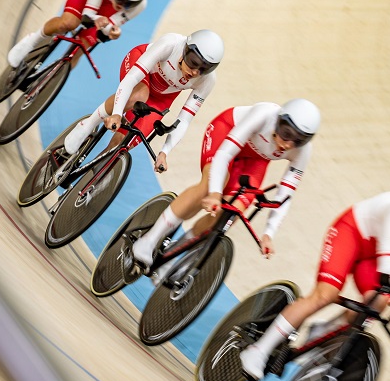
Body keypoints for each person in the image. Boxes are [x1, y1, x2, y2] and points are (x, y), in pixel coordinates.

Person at [239, 192, 390, 381]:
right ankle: (258, 351)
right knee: (326, 294)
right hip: (350, 234)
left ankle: (323, 332)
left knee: (379, 302)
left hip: (373, 257)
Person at [130, 99, 321, 282]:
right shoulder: (264, 114)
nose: (288, 144)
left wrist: (268, 234)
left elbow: (285, 196)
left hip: (255, 161)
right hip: (226, 133)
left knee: (231, 213)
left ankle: (171, 255)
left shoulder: (303, 151)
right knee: (209, 186)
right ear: (279, 121)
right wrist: (215, 193)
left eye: (298, 140)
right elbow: (225, 153)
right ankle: (148, 240)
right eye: (286, 133)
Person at [61, 29, 225, 164]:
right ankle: (87, 125)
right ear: (185, 50)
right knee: (139, 95)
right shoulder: (170, 44)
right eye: (193, 62)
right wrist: (117, 113)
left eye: (204, 69)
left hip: (160, 99)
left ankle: (89, 178)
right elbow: (132, 78)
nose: (195, 72)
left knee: (121, 145)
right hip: (140, 71)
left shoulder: (207, 80)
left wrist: (164, 152)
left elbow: (184, 120)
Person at [7, 0, 150, 68]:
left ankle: (49, 80)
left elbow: (109, 26)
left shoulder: (140, 5)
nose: (121, 5)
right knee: (69, 23)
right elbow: (87, 15)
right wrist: (97, 19)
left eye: (128, 4)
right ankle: (32, 40)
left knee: (81, 47)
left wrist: (112, 31)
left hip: (108, 4)